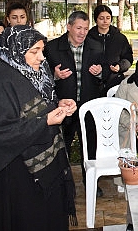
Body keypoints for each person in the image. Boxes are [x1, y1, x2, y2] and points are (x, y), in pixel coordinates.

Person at [0, 26, 78, 230]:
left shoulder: (32, 73)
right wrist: (45, 121)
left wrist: (59, 105)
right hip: (14, 175)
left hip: (42, 170)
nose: (41, 57)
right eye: (34, 51)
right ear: (15, 51)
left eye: (42, 50)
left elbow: (39, 106)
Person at [44, 11, 104, 191]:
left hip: (88, 106)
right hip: (63, 107)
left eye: (86, 29)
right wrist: (54, 75)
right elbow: (42, 77)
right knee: (63, 146)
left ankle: (91, 181)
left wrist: (100, 72)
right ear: (69, 27)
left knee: (90, 145)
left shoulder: (96, 47)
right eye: (78, 28)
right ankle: (63, 183)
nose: (82, 32)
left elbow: (106, 74)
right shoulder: (53, 48)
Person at [88, 5, 133, 95]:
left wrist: (120, 66)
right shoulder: (88, 37)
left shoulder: (120, 38)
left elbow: (128, 58)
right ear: (96, 19)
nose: (105, 21)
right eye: (101, 18)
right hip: (92, 83)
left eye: (108, 18)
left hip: (115, 82)